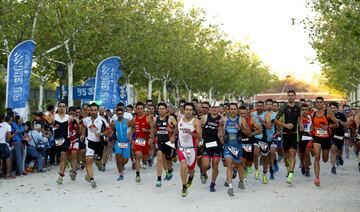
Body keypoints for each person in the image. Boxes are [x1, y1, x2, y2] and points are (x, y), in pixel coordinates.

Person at [219, 103, 252, 196]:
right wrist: (221, 136)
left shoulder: (241, 120)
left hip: (238, 147)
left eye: (234, 109)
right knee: (229, 164)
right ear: (228, 110)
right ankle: (230, 187)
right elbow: (220, 128)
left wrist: (240, 129)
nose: (233, 111)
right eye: (231, 109)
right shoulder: (224, 120)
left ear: (237, 110)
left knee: (239, 166)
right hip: (227, 146)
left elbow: (249, 133)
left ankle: (241, 181)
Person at [80, 103, 112, 188]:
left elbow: (109, 130)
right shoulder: (86, 120)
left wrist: (101, 134)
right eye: (92, 110)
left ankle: (99, 164)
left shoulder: (102, 120)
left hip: (99, 144)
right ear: (89, 111)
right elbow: (82, 126)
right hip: (89, 143)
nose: (93, 112)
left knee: (98, 161)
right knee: (89, 160)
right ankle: (92, 179)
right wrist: (82, 134)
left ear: (97, 111)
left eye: (95, 110)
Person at [311, 97, 338, 186]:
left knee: (325, 159)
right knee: (317, 157)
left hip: (326, 139)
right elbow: (312, 125)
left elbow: (336, 124)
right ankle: (317, 178)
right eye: (317, 102)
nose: (318, 104)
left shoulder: (328, 113)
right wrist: (310, 133)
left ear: (323, 103)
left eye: (320, 102)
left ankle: (327, 158)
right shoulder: (313, 114)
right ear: (315, 104)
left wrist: (328, 127)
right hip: (317, 138)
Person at [275, 90, 301, 184]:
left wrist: (300, 124)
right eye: (289, 95)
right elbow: (276, 120)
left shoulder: (298, 106)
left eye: (292, 95)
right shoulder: (284, 107)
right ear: (287, 97)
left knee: (292, 153)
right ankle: (288, 169)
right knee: (286, 156)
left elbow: (300, 117)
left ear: (295, 96)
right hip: (285, 134)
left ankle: (291, 173)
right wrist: (285, 125)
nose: (290, 97)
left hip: (294, 133)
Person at [176, 103, 202, 197]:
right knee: (183, 165)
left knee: (191, 170)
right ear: (183, 110)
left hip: (192, 149)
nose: (188, 111)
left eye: (190, 110)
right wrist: (172, 136)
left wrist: (191, 133)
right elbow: (177, 128)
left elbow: (199, 136)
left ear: (193, 111)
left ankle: (191, 177)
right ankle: (184, 187)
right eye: (187, 109)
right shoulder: (179, 119)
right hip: (182, 148)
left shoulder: (196, 122)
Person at [200, 103, 222, 192]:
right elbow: (200, 130)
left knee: (215, 165)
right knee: (205, 165)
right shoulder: (205, 117)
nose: (214, 109)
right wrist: (200, 140)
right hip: (206, 145)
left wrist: (221, 135)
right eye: (213, 107)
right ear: (210, 109)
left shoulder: (221, 119)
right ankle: (204, 173)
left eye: (216, 108)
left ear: (219, 109)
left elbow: (222, 132)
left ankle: (213, 184)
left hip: (216, 145)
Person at [154, 103, 177, 187]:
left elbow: (177, 128)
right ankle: (159, 179)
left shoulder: (170, 118)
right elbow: (154, 130)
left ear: (166, 109)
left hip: (169, 143)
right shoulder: (155, 119)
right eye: (160, 108)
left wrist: (172, 132)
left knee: (168, 161)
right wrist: (152, 138)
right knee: (160, 159)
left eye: (163, 108)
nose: (161, 110)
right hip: (160, 142)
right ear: (158, 110)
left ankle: (170, 170)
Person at [133, 102, 154, 183]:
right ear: (136, 109)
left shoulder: (148, 118)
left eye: (141, 109)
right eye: (138, 109)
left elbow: (152, 130)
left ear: (143, 109)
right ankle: (137, 174)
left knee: (144, 158)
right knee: (138, 155)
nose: (139, 110)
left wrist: (151, 137)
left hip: (146, 140)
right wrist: (131, 136)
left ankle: (148, 158)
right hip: (138, 140)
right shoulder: (134, 119)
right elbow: (132, 128)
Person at [54, 101, 73, 185]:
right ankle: (66, 161)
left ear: (66, 108)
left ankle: (61, 176)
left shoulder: (69, 117)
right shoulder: (54, 117)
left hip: (66, 139)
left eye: (63, 106)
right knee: (60, 157)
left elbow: (76, 126)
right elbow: (48, 127)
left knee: (62, 154)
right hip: (57, 139)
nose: (62, 108)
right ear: (58, 107)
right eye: (60, 106)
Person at [112, 108, 133, 181]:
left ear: (123, 114)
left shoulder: (127, 121)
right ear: (116, 114)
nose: (120, 115)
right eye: (118, 114)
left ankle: (123, 164)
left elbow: (133, 127)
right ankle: (121, 174)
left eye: (121, 114)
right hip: (118, 142)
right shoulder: (114, 123)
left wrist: (130, 134)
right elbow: (111, 131)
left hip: (126, 142)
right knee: (118, 157)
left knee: (125, 160)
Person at [329, 102, 347, 174]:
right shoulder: (329, 116)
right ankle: (333, 167)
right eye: (331, 108)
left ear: (337, 108)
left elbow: (346, 124)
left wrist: (340, 121)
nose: (333, 109)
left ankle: (339, 157)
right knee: (333, 149)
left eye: (334, 108)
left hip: (340, 135)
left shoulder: (341, 115)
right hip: (332, 135)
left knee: (339, 150)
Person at [299, 104, 312, 177]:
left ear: (308, 110)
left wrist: (312, 131)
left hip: (309, 137)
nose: (304, 111)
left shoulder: (310, 117)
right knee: (302, 155)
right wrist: (301, 125)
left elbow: (313, 126)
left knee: (307, 153)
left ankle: (307, 169)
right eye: (303, 110)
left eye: (306, 110)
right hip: (301, 137)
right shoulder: (299, 118)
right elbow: (300, 124)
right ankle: (303, 164)